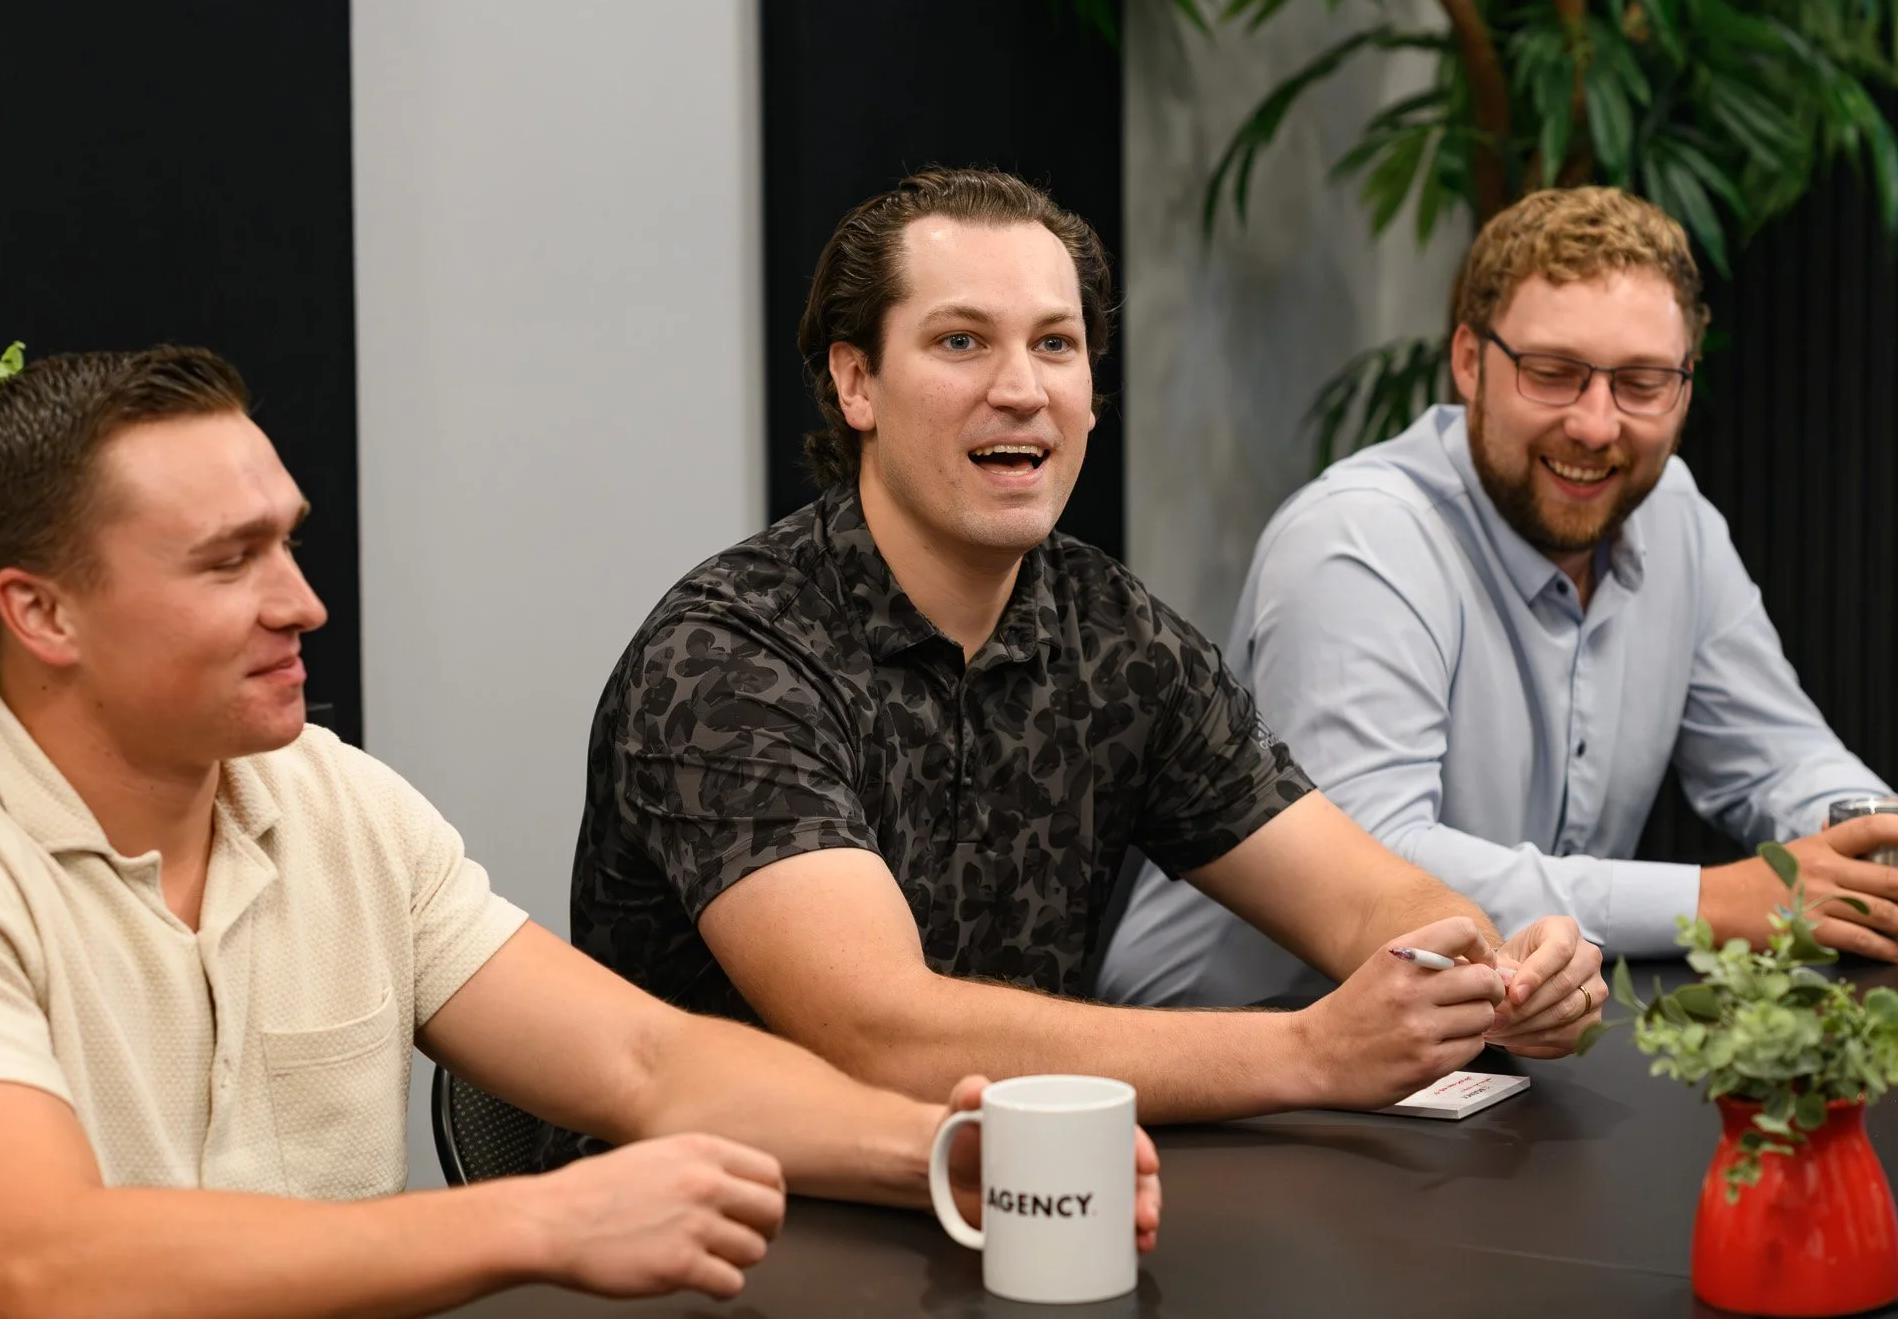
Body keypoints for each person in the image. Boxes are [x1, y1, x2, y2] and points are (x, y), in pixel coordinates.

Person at [0, 347, 1160, 1319]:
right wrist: (540, 1223)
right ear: (41, 613)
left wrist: (950, 1156)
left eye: (288, 542)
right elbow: (41, 1259)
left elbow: (651, 1064)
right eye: (230, 563)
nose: (304, 602)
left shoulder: (337, 801)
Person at [560, 166, 1604, 1148]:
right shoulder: (728, 656)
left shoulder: (1111, 634)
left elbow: (1364, 898)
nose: (1021, 389)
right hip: (705, 1236)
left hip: (1007, 1198)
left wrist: (1484, 966)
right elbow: (879, 1032)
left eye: (1055, 345)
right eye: (961, 342)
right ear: (855, 382)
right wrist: (1307, 1051)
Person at [1100, 186, 1898, 1010]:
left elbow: (1777, 757)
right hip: (1229, 1058)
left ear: (1686, 388)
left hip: (1481, 1043)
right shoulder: (1359, 537)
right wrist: (1721, 898)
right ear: (1470, 361)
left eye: (1643, 383)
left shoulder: (1675, 516)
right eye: (1553, 373)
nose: (1595, 424)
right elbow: (1378, 865)